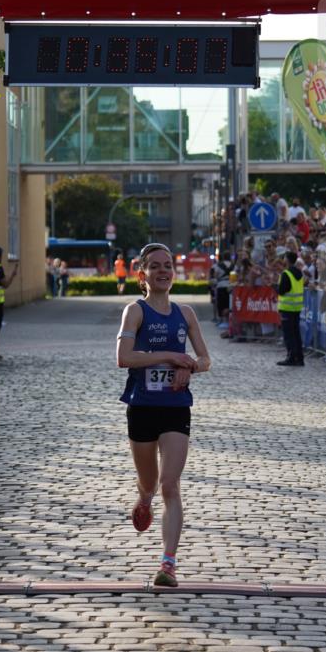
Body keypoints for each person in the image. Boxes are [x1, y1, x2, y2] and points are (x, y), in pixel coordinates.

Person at [116, 243, 211, 588]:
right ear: (142, 275)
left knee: (170, 484)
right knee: (150, 482)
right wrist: (171, 356)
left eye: (167, 265)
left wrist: (190, 367)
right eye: (155, 266)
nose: (163, 271)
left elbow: (205, 359)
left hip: (175, 406)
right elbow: (124, 358)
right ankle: (144, 499)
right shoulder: (135, 311)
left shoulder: (186, 314)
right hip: (142, 407)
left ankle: (168, 564)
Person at [276, 250, 305, 367]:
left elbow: (282, 290)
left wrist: (275, 286)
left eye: (284, 258)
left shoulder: (286, 274)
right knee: (296, 334)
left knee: (289, 335)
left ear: (287, 260)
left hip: (287, 308)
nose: (283, 260)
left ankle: (292, 357)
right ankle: (299, 358)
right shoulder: (299, 273)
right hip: (297, 307)